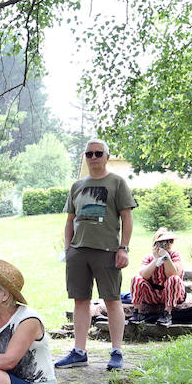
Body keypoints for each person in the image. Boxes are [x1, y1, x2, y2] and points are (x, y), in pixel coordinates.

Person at [58, 139, 135, 371]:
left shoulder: (117, 183)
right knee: (80, 301)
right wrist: (68, 249)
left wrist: (124, 248)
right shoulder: (77, 186)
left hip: (107, 251)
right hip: (78, 252)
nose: (93, 157)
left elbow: (127, 218)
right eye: (89, 154)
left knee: (112, 300)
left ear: (107, 156)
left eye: (98, 153)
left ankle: (117, 352)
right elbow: (70, 220)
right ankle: (79, 351)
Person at [131, 228, 186, 325]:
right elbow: (144, 275)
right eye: (164, 241)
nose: (168, 244)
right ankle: (137, 313)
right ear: (156, 244)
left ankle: (167, 313)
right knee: (136, 278)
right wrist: (156, 259)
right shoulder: (149, 257)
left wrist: (166, 258)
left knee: (174, 279)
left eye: (170, 241)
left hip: (172, 293)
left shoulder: (175, 255)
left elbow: (172, 274)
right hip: (153, 294)